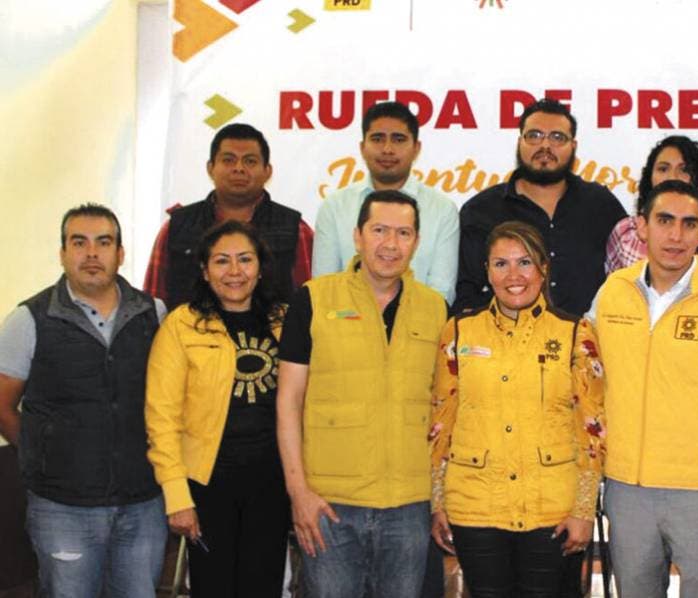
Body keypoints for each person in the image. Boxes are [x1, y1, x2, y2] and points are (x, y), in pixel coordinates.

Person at [589, 179, 698, 598]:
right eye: (664, 220)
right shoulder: (613, 291)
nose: (675, 235)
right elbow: (587, 378)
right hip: (627, 487)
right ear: (641, 227)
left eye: (689, 224)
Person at [276, 190, 448, 598]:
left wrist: (440, 499)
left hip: (409, 505)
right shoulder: (313, 299)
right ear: (357, 236)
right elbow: (288, 402)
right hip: (328, 505)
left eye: (403, 233)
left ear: (417, 242)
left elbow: (443, 409)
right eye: (379, 230)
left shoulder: (436, 309)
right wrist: (299, 493)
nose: (391, 244)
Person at [427, 221, 606, 597]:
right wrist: (438, 501)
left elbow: (592, 429)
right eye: (500, 264)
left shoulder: (575, 333)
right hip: (475, 507)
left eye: (524, 262)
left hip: (552, 511)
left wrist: (583, 509)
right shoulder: (458, 331)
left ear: (543, 269)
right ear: (487, 272)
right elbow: (441, 421)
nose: (513, 276)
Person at [0, 204, 168, 596]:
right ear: (62, 253)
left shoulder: (154, 314)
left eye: (103, 242)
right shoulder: (29, 318)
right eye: (79, 242)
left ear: (120, 254)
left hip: (143, 503)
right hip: (62, 508)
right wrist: (41, 451)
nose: (92, 253)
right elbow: (2, 404)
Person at [145, 220, 290, 597]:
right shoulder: (182, 325)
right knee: (213, 588)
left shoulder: (285, 322)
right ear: (205, 270)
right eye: (222, 261)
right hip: (207, 487)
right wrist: (177, 497)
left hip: (273, 484)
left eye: (245, 259)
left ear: (260, 267)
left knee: (265, 588)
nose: (235, 271)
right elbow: (162, 418)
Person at [456, 98, 627, 316]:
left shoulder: (601, 204)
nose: (545, 146)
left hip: (590, 335)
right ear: (520, 142)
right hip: (505, 336)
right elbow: (468, 294)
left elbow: (629, 277)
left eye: (557, 137)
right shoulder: (481, 210)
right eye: (534, 135)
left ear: (573, 146)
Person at [144, 122, 314, 308]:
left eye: (250, 161)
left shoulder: (295, 229)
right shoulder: (177, 227)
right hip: (190, 327)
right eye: (228, 160)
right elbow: (153, 307)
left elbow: (313, 302)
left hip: (272, 328)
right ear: (210, 168)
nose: (239, 168)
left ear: (267, 171)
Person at [313, 101, 459, 303]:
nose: (387, 149)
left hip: (419, 321)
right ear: (362, 147)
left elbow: (441, 293)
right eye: (377, 139)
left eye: (398, 139)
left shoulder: (442, 210)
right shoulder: (334, 207)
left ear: (416, 148)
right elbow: (324, 288)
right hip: (345, 320)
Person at [605, 135, 698, 276]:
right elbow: (612, 287)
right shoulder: (625, 232)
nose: (672, 177)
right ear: (650, 176)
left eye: (684, 170)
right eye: (663, 169)